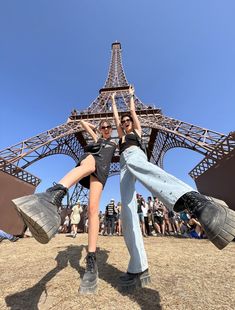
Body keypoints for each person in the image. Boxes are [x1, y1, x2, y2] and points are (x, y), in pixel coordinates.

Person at [111, 86, 235, 290]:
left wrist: (131, 96)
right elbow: (116, 116)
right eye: (123, 122)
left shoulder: (137, 132)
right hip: (124, 164)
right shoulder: (121, 136)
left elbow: (133, 112)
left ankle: (193, 199)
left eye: (127, 121)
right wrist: (114, 101)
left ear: (132, 122)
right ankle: (138, 267)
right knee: (127, 212)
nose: (125, 123)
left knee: (143, 168)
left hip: (135, 156)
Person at [12, 119, 116, 294]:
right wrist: (94, 126)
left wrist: (114, 101)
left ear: (112, 129)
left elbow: (126, 129)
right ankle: (53, 195)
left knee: (92, 209)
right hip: (94, 157)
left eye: (108, 127)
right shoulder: (97, 138)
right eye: (103, 127)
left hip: (104, 167)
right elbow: (82, 122)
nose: (105, 129)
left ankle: (91, 259)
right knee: (88, 162)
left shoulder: (114, 141)